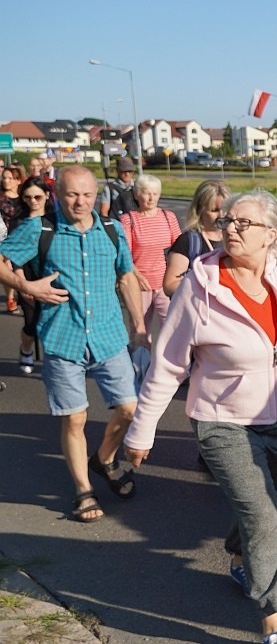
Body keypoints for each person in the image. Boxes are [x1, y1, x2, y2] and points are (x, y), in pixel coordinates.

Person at [123, 189, 277, 644]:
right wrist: (141, 431)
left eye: (243, 222)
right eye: (228, 220)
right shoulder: (200, 287)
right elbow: (168, 364)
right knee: (265, 516)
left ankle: (239, 558)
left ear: (270, 235)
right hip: (221, 420)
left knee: (261, 503)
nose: (230, 228)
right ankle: (274, 626)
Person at [0, 166, 147, 523]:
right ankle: (84, 490)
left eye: (87, 194)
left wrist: (140, 326)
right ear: (58, 195)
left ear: (96, 194)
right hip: (62, 337)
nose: (80, 202)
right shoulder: (40, 229)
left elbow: (126, 276)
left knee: (130, 409)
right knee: (75, 417)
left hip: (109, 335)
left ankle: (103, 459)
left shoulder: (112, 229)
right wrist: (27, 286)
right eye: (72, 194)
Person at [120, 174, 180, 339]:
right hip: (140, 284)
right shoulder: (128, 220)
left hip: (165, 283)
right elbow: (124, 253)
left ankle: (168, 356)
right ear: (137, 194)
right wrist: (137, 276)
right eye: (147, 193)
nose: (151, 198)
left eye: (155, 193)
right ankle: (140, 356)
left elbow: (179, 249)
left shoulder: (168, 217)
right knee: (140, 331)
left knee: (173, 329)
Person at [164, 179, 230, 298]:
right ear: (200, 210)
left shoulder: (234, 237)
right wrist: (205, 287)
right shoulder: (189, 241)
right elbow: (170, 285)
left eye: (224, 209)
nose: (221, 215)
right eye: (214, 210)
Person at [12, 177, 51, 374]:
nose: (33, 201)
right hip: (28, 276)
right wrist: (22, 282)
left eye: (37, 197)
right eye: (27, 197)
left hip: (52, 276)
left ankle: (55, 361)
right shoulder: (19, 222)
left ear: (47, 196)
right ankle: (26, 348)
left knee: (54, 322)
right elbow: (14, 257)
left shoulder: (55, 220)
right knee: (32, 323)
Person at [1, 164, 27, 313]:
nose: (6, 181)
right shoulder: (1, 198)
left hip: (22, 237)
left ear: (18, 180)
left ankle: (23, 293)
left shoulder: (25, 198)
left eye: (10, 178)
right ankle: (10, 297)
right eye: (4, 178)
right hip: (4, 238)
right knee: (8, 268)